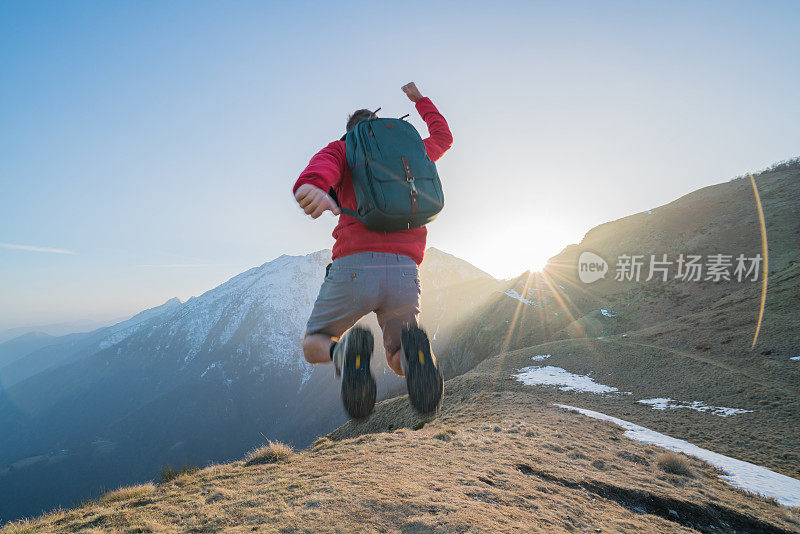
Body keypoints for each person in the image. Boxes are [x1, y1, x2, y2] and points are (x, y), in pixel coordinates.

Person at [292, 82, 453, 419]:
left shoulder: (345, 147)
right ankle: (416, 356)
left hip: (354, 267)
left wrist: (313, 186)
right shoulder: (411, 152)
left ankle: (344, 352)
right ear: (379, 125)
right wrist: (420, 100)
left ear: (351, 131)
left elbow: (320, 169)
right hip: (405, 271)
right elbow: (443, 137)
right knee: (397, 356)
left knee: (315, 342)